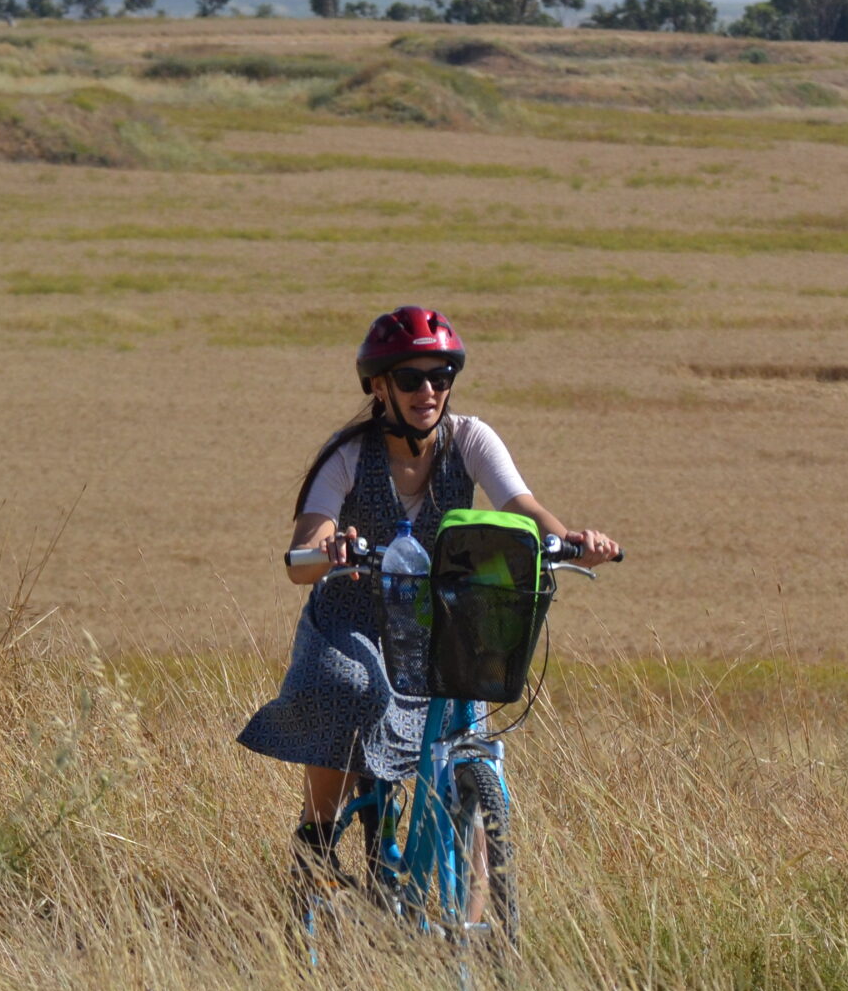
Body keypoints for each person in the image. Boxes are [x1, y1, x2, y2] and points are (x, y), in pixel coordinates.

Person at [237, 306, 620, 881]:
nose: (428, 390)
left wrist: (571, 541)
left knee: (471, 710)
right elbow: (305, 547)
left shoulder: (470, 440)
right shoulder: (347, 457)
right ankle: (315, 839)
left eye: (441, 377)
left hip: (438, 622)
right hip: (353, 619)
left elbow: (525, 509)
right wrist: (330, 547)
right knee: (349, 686)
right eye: (411, 378)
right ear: (379, 386)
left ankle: (477, 922)